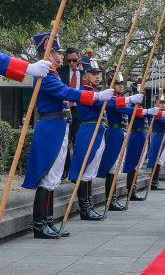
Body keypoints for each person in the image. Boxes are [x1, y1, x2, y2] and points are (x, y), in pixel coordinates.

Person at [23, 32, 113, 238]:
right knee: (47, 177)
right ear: (47, 54)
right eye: (57, 53)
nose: (61, 57)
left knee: (54, 177)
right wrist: (96, 95)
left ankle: (48, 221)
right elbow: (66, 93)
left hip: (59, 125)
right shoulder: (44, 75)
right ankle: (39, 225)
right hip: (50, 127)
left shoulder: (53, 74)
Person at [68, 57, 122, 221]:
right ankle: (84, 208)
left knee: (90, 171)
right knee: (85, 170)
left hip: (98, 130)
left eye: (98, 73)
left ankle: (89, 206)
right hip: (88, 130)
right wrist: (124, 100)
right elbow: (107, 105)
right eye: (93, 74)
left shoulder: (95, 92)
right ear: (85, 76)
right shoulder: (85, 91)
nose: (97, 76)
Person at [96, 69, 143, 211]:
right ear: (111, 84)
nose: (121, 86)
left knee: (117, 166)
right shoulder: (111, 99)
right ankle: (110, 199)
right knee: (113, 166)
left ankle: (113, 197)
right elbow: (122, 108)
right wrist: (137, 107)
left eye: (122, 83)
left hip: (122, 132)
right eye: (117, 83)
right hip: (114, 132)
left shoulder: (121, 99)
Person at [122, 83, 161, 201]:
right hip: (134, 134)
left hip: (142, 134)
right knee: (133, 163)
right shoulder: (129, 104)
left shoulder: (139, 106)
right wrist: (146, 111)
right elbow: (130, 112)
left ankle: (133, 189)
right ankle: (130, 190)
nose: (140, 96)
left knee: (138, 164)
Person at [57, 47, 84, 179]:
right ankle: (65, 169)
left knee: (78, 141)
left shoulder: (85, 72)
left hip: (79, 111)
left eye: (74, 60)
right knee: (65, 140)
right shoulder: (60, 71)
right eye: (69, 61)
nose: (72, 63)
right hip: (65, 109)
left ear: (79, 57)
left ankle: (76, 171)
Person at [147, 93, 165, 190]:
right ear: (156, 102)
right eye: (161, 102)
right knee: (156, 160)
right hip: (157, 136)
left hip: (163, 137)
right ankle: (153, 182)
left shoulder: (162, 112)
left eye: (164, 102)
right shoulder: (155, 112)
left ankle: (155, 181)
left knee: (160, 161)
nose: (163, 104)